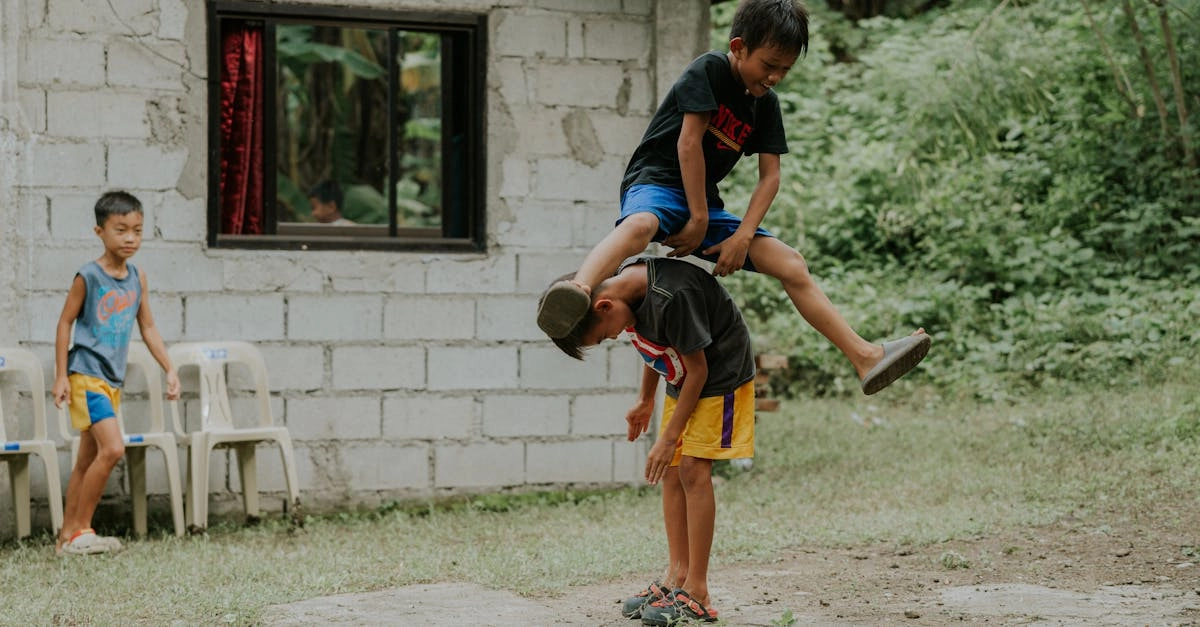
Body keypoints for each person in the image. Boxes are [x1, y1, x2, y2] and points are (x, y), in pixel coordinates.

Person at [537, 0, 929, 395]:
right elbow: (688, 144)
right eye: (769, 64)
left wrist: (743, 235)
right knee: (640, 225)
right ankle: (581, 289)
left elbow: (770, 178)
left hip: (704, 202)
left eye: (785, 69)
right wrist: (699, 220)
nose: (775, 77)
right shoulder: (709, 70)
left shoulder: (765, 104)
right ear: (739, 46)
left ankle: (865, 356)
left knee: (791, 264)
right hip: (657, 183)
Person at [545, 256, 756, 625]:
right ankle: (677, 576)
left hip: (719, 376)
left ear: (604, 306)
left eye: (603, 334)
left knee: (691, 469)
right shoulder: (628, 292)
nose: (612, 337)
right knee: (671, 472)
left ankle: (699, 590)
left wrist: (669, 436)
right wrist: (645, 400)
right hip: (682, 375)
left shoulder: (671, 296)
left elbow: (700, 368)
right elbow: (654, 345)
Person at [52, 191, 181, 556]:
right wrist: (62, 375)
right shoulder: (88, 276)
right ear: (100, 231)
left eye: (137, 231)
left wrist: (169, 368)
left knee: (85, 460)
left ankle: (65, 539)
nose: (130, 238)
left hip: (111, 379)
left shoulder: (137, 278)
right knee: (112, 449)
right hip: (86, 373)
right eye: (121, 230)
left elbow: (149, 329)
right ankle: (82, 532)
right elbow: (65, 324)